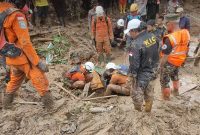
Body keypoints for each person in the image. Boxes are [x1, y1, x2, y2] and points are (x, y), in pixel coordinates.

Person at [0, 0, 53, 109]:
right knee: (39, 78)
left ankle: (6, 104)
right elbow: (25, 42)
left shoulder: (2, 11)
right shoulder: (16, 15)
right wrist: (37, 62)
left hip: (10, 55)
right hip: (23, 57)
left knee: (14, 80)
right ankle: (50, 106)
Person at [124, 19, 160, 112]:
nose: (130, 34)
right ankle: (148, 111)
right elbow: (157, 51)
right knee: (149, 92)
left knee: (136, 95)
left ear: (134, 30)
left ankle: (138, 113)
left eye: (130, 32)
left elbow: (134, 64)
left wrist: (131, 77)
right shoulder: (153, 36)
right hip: (154, 69)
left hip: (142, 73)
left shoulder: (136, 44)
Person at [160, 14, 190, 100]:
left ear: (171, 24)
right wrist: (183, 59)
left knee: (164, 81)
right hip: (179, 61)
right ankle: (176, 91)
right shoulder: (186, 33)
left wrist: (161, 66)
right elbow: (187, 48)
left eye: (167, 24)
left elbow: (165, 56)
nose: (166, 26)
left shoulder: (170, 38)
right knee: (175, 76)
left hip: (169, 61)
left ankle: (165, 98)